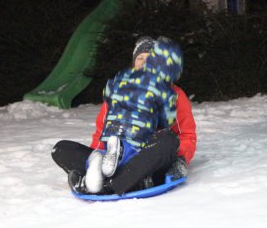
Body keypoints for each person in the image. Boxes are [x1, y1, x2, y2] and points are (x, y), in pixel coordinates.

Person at [51, 36, 197, 195]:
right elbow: (102, 132)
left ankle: (109, 185)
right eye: (140, 58)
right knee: (61, 149)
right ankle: (116, 176)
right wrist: (97, 156)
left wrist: (181, 160)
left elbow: (187, 135)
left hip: (150, 157)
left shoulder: (173, 94)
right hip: (117, 157)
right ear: (134, 63)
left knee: (168, 140)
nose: (144, 61)